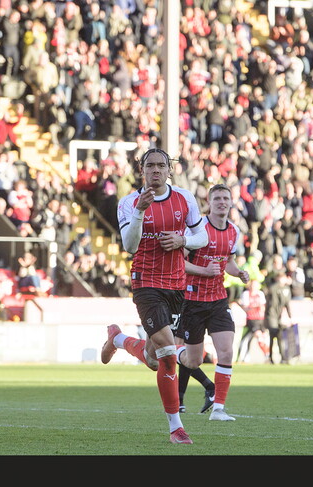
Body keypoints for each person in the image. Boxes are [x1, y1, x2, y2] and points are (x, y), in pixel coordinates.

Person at [99, 148, 208, 445]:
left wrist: (183, 239)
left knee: (152, 359)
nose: (156, 170)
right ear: (142, 170)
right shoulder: (128, 202)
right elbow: (130, 245)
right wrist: (140, 212)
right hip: (146, 283)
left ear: (169, 170)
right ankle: (176, 428)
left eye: (162, 165)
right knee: (169, 354)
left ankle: (118, 340)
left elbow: (203, 237)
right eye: (151, 166)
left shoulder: (184, 198)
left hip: (175, 284)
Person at [174, 184, 250, 421]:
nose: (221, 202)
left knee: (226, 352)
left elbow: (227, 261)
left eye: (225, 198)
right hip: (192, 300)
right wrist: (205, 271)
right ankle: (172, 351)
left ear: (230, 202)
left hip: (218, 299)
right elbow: (179, 263)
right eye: (217, 198)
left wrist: (238, 273)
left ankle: (218, 409)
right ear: (209, 202)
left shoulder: (234, 231)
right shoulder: (198, 229)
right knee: (193, 360)